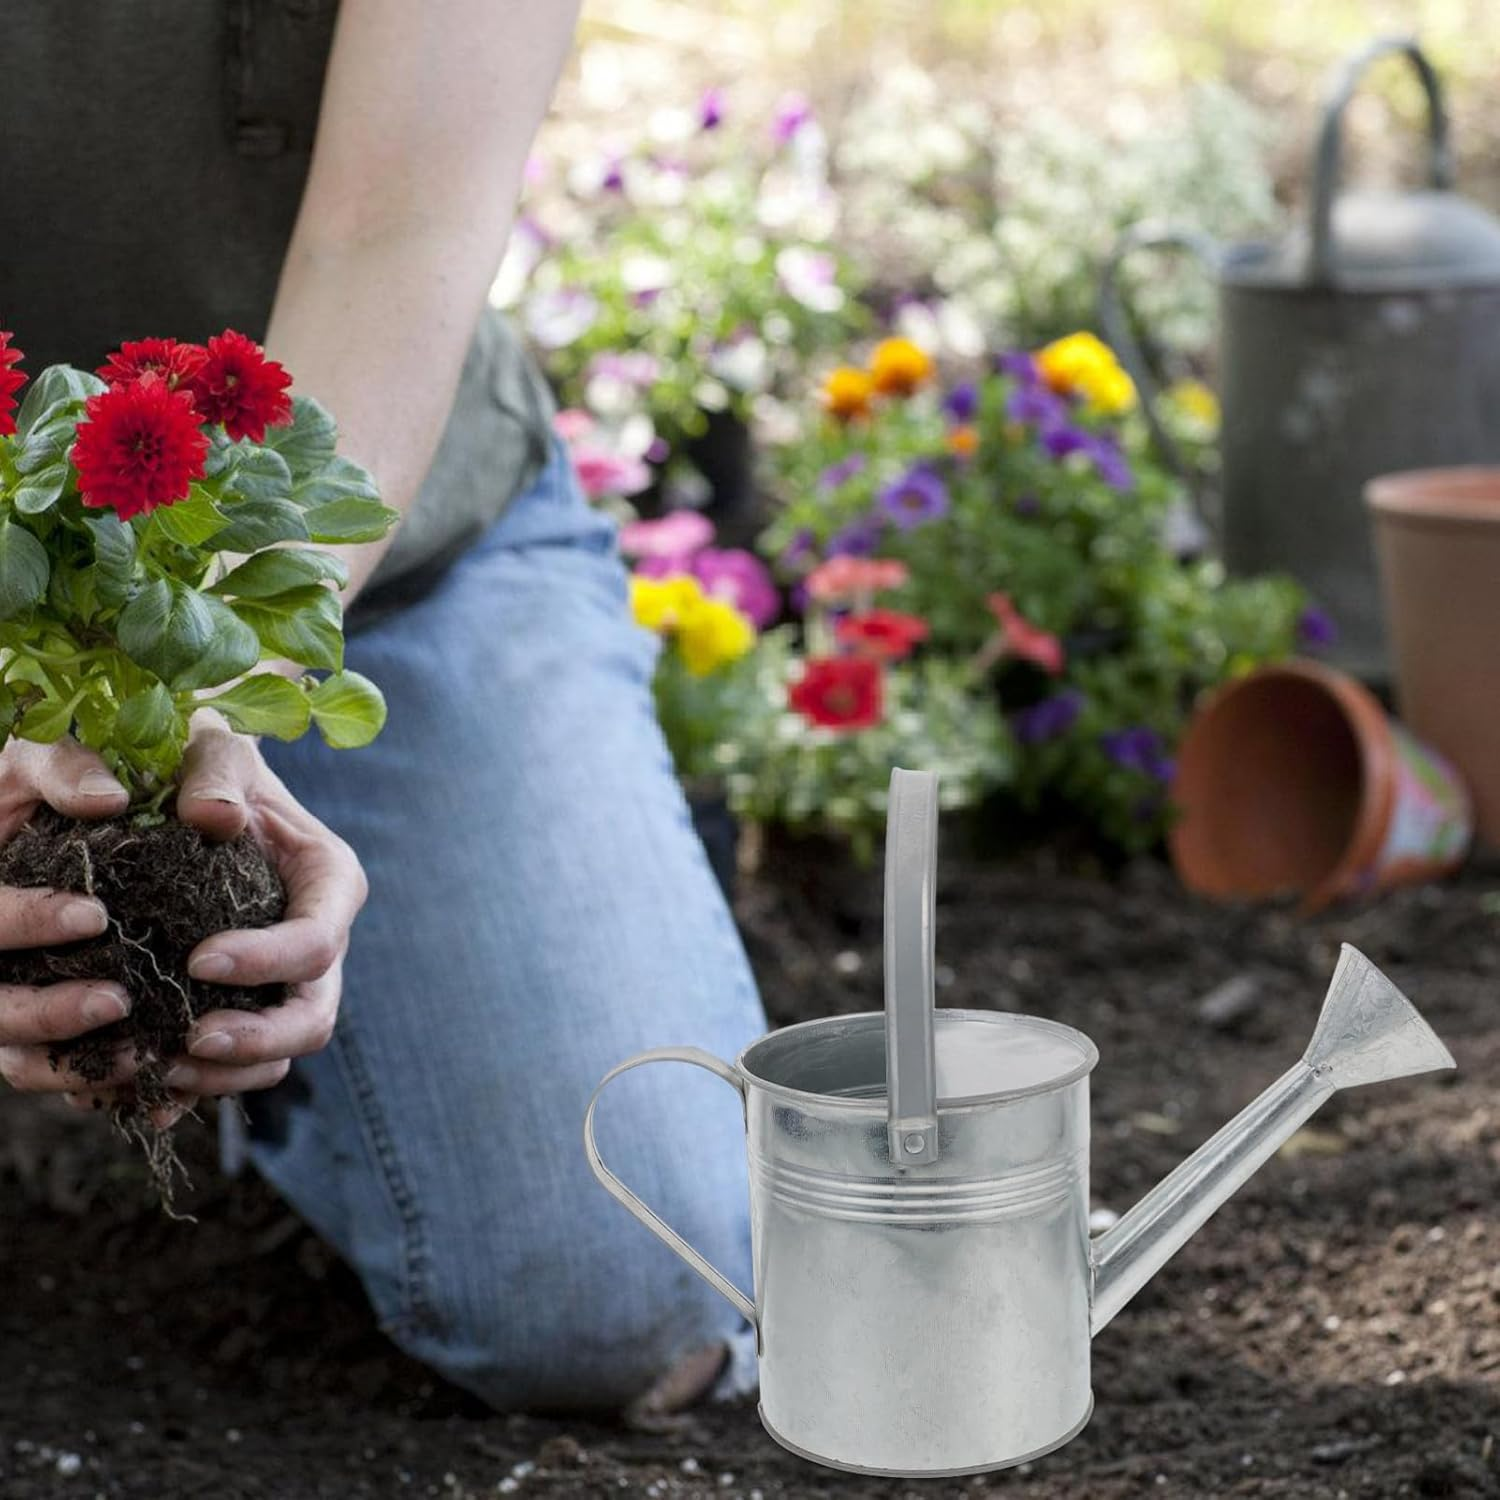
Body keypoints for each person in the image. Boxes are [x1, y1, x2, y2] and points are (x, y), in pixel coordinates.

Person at [0, 2, 765, 1413]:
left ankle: (257, 1026)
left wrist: (211, 699)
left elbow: (393, 229)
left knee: (626, 1290)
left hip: (367, 540)